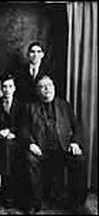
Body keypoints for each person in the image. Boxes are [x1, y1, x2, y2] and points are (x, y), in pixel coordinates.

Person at [21, 75, 88, 214]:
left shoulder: (64, 105)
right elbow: (24, 129)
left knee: (79, 159)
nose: (47, 89)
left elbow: (76, 127)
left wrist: (75, 142)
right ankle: (35, 201)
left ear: (54, 88)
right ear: (37, 90)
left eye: (50, 86)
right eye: (43, 87)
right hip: (41, 149)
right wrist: (30, 143)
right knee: (29, 157)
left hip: (63, 148)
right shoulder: (29, 107)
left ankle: (77, 203)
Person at [0, 73, 25, 208]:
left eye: (10, 86)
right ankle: (8, 196)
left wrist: (12, 131)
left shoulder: (22, 105)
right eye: (4, 86)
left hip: (16, 139)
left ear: (14, 88)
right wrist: (0, 132)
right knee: (4, 144)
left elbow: (24, 124)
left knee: (8, 144)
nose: (7, 89)